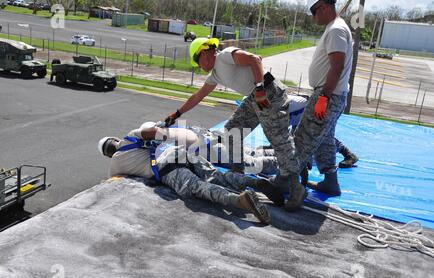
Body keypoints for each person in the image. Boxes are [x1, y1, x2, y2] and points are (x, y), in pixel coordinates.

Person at [159, 38, 306, 212]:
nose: (198, 66)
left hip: (268, 92)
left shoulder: (225, 56)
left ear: (205, 53)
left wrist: (260, 89)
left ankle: (297, 188)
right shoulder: (215, 74)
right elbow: (198, 96)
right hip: (254, 97)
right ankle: (240, 177)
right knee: (231, 133)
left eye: (197, 61)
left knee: (279, 141)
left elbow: (255, 59)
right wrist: (176, 114)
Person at [97, 122, 286, 224]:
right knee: (216, 175)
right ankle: (255, 183)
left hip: (165, 169)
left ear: (107, 154)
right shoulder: (132, 136)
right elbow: (154, 131)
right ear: (115, 139)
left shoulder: (115, 165)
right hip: (180, 153)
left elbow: (111, 182)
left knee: (199, 187)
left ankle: (238, 200)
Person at [293, 0, 354, 196]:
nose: (313, 16)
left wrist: (323, 97)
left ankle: (286, 181)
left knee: (303, 138)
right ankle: (330, 181)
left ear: (325, 7)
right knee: (326, 141)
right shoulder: (334, 28)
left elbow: (337, 66)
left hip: (328, 94)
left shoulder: (336, 30)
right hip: (332, 94)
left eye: (314, 11)